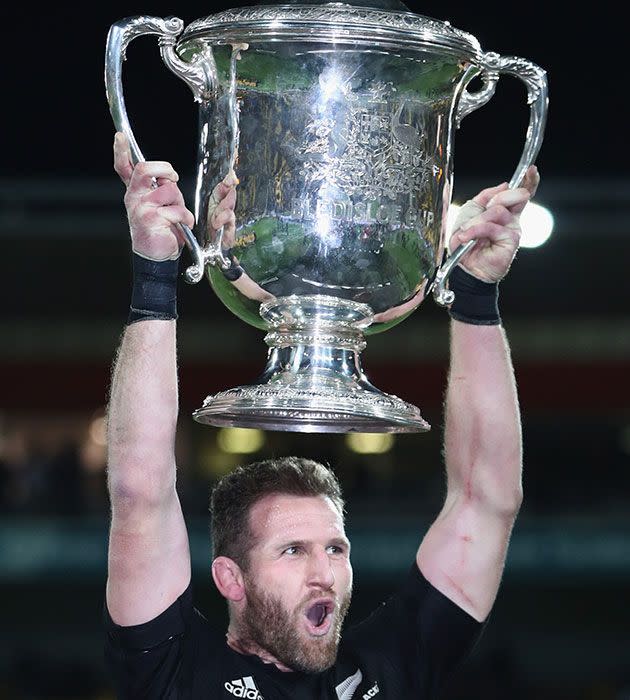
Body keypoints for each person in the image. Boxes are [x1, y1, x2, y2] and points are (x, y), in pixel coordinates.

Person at [104, 131, 539, 698]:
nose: (324, 574)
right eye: (293, 551)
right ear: (231, 578)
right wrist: (154, 276)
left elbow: (488, 499)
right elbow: (140, 494)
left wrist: (476, 294)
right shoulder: (176, 672)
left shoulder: (389, 667)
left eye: (336, 548)